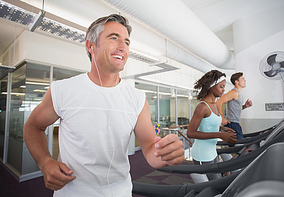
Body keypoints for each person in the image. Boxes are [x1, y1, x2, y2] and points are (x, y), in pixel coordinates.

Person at [23, 14, 184, 197]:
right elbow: (33, 126)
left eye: (127, 42)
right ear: (91, 46)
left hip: (120, 192)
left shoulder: (137, 98)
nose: (122, 47)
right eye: (114, 38)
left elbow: (149, 148)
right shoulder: (63, 90)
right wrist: (45, 162)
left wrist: (166, 155)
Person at [187, 70, 237, 180]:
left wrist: (222, 129)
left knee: (217, 180)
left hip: (212, 151)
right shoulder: (202, 106)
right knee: (213, 185)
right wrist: (219, 135)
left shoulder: (214, 104)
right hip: (202, 154)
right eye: (221, 86)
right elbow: (190, 133)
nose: (224, 90)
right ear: (212, 87)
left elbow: (209, 125)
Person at [216, 72, 252, 140]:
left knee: (237, 146)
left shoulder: (238, 93)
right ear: (236, 82)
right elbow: (218, 102)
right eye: (242, 79)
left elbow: (235, 109)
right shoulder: (234, 92)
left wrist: (244, 106)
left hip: (235, 123)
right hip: (232, 124)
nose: (245, 81)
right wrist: (222, 118)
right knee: (239, 146)